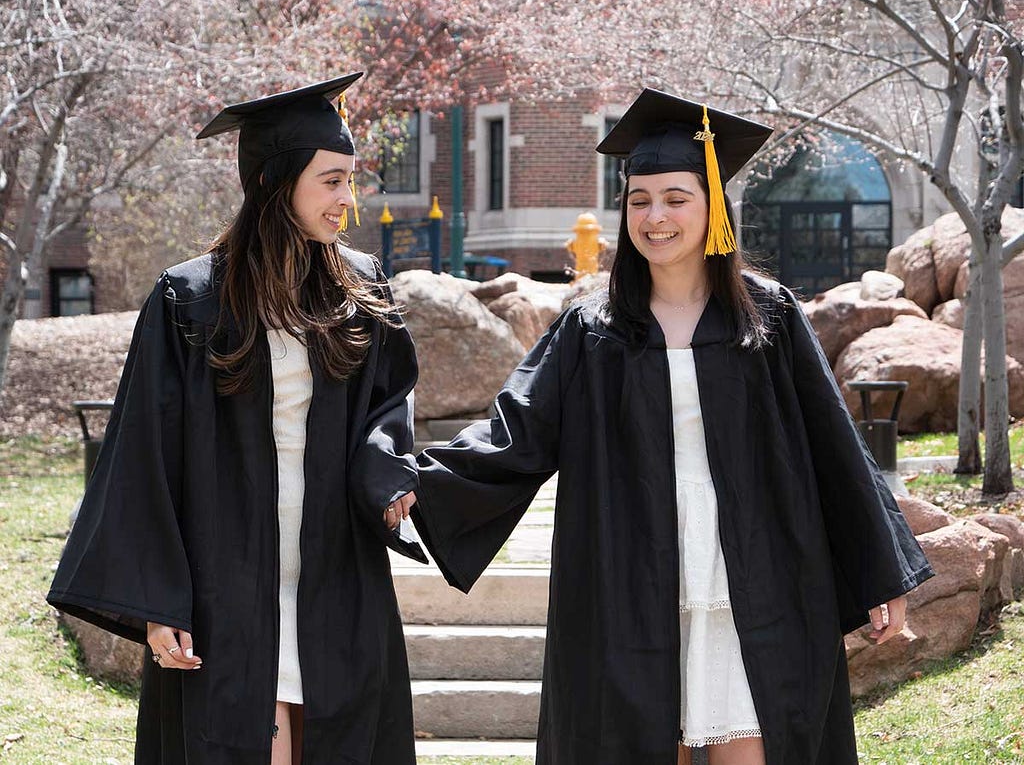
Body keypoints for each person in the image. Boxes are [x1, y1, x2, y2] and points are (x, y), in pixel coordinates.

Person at [411, 88, 934, 765]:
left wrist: (879, 572)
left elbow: (835, 447)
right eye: (640, 199)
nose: (656, 217)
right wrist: (408, 478)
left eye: (676, 198)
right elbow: (515, 433)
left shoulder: (766, 319)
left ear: (712, 205)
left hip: (752, 587)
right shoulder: (592, 330)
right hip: (633, 592)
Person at [48, 73, 422, 765]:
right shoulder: (190, 299)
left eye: (350, 180)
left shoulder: (360, 286)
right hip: (227, 586)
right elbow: (142, 455)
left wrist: (386, 469)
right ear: (277, 182)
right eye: (332, 180)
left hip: (336, 577)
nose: (348, 199)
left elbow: (387, 408)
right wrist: (160, 599)